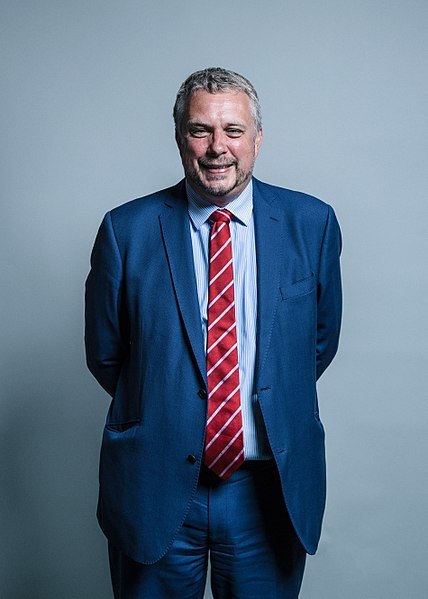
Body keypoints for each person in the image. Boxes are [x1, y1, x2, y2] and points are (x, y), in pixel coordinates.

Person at [85, 67, 342, 598]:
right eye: (201, 130)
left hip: (265, 490)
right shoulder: (125, 230)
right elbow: (106, 354)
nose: (217, 148)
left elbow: (318, 343)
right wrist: (170, 404)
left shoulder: (310, 224)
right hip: (156, 483)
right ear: (180, 137)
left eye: (233, 131)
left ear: (257, 139)